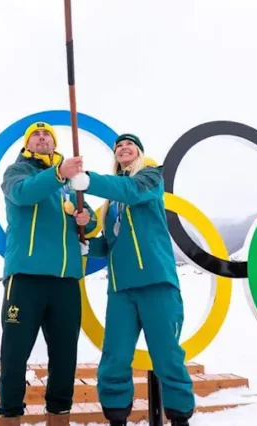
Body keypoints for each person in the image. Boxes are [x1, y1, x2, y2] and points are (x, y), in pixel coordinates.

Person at [69, 133, 195, 426]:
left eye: (129, 145)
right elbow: (112, 244)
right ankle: (116, 418)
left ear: (138, 153)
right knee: (114, 359)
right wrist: (89, 246)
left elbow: (133, 191)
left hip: (156, 284)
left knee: (167, 357)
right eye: (118, 147)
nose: (123, 148)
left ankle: (179, 419)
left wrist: (90, 180)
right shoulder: (112, 204)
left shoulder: (150, 178)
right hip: (121, 290)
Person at [0, 121, 100, 426]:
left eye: (47, 135)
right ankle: (10, 415)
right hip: (26, 277)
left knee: (65, 356)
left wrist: (86, 218)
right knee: (15, 354)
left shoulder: (71, 183)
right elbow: (24, 195)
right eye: (35, 135)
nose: (42, 139)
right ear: (27, 145)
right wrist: (58, 174)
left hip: (66, 280)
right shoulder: (17, 172)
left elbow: (92, 224)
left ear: (54, 144)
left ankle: (59, 416)